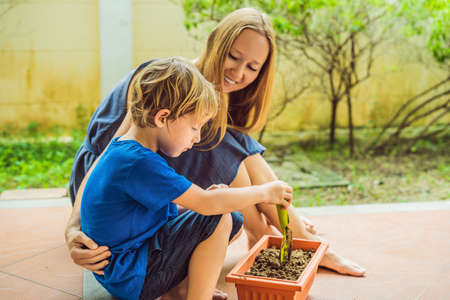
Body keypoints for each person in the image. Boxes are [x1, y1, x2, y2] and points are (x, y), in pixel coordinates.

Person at [65, 7, 365, 285]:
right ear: (216, 43)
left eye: (252, 67)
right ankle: (276, 236)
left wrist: (265, 203)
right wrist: (73, 227)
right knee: (224, 148)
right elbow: (106, 155)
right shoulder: (166, 81)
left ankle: (279, 234)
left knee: (235, 146)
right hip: (101, 191)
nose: (238, 73)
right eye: (233, 57)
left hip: (145, 195)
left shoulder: (213, 100)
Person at [80, 57, 293, 300]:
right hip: (133, 276)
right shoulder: (140, 163)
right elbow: (206, 203)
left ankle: (180, 291)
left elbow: (167, 209)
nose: (197, 137)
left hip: (129, 267)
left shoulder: (129, 150)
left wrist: (212, 199)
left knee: (230, 218)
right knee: (219, 217)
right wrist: (266, 192)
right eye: (194, 127)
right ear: (162, 118)